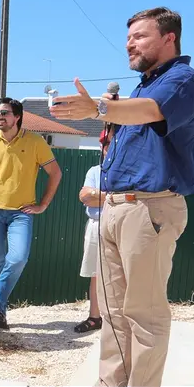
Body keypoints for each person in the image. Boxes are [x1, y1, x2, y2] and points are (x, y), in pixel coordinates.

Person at [51, 7, 194, 387]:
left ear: (169, 37)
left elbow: (151, 112)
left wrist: (101, 107)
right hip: (116, 206)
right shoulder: (143, 85)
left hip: (149, 207)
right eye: (127, 38)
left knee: (144, 312)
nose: (129, 44)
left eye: (139, 36)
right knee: (113, 311)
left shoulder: (183, 80)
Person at [0, 98, 62, 331]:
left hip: (21, 213)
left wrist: (43, 205)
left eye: (5, 113)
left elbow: (56, 173)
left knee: (17, 258)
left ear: (17, 117)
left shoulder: (36, 141)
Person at [73, 129, 113, 334]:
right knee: (95, 273)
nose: (108, 147)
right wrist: (112, 196)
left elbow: (132, 198)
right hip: (96, 224)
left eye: (112, 143)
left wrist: (97, 195)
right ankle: (94, 317)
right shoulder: (94, 171)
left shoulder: (129, 170)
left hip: (120, 224)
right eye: (105, 143)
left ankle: (117, 319)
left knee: (122, 273)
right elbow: (83, 196)